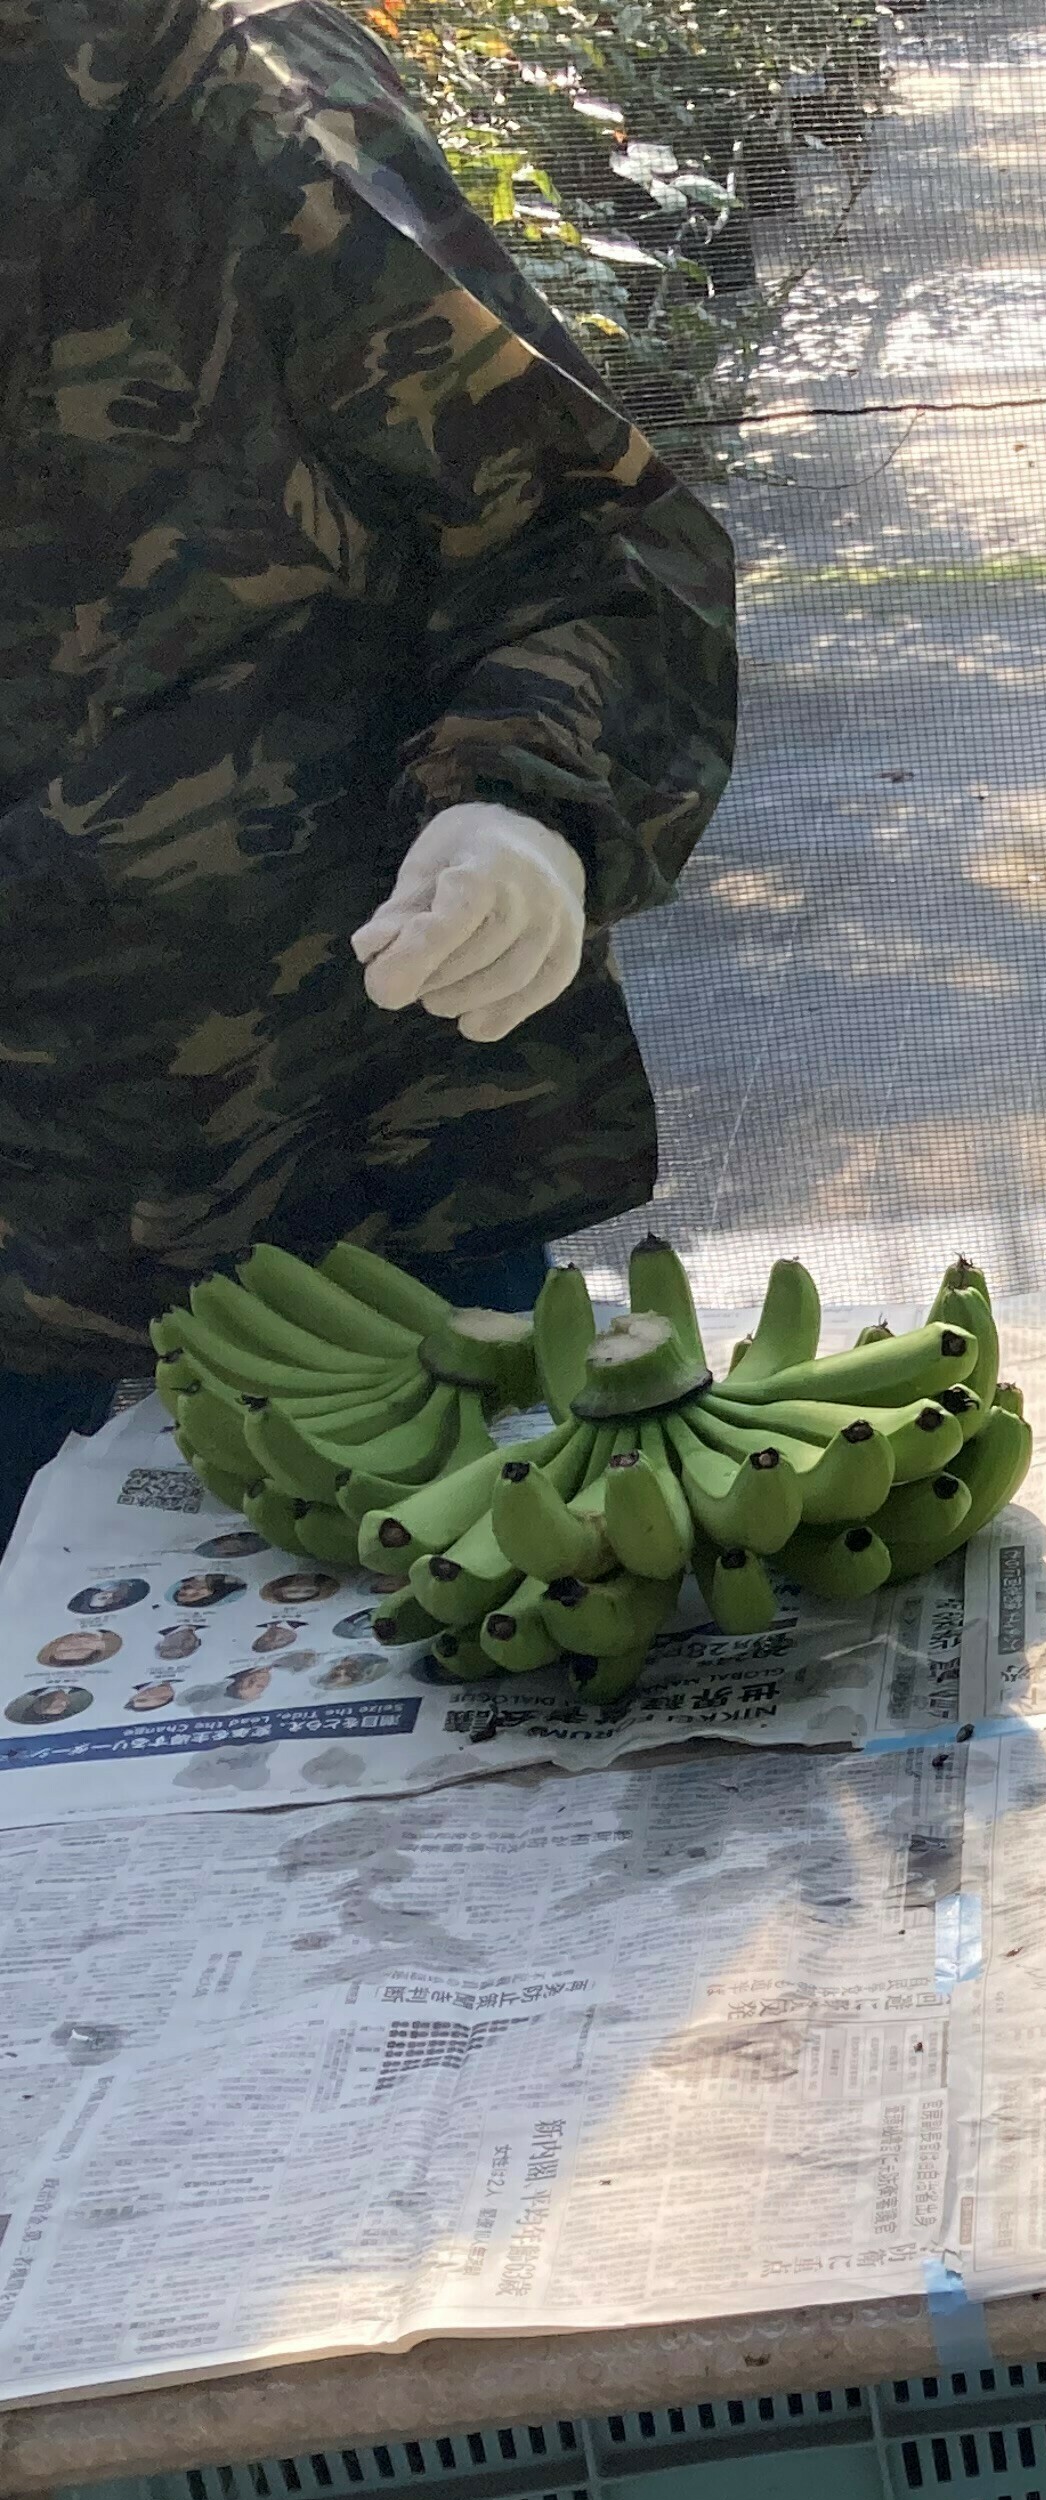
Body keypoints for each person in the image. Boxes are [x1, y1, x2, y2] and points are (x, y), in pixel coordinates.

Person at [2, 0, 739, 1521]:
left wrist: (521, 803)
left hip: (327, 1183)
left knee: (456, 1591)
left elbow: (581, 540)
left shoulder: (236, 107)